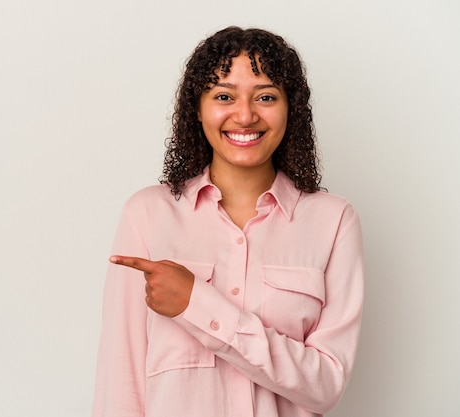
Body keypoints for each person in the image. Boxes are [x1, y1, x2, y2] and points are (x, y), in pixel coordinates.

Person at [91, 26, 363, 417]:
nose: (245, 114)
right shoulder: (147, 215)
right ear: (197, 109)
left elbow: (326, 384)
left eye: (266, 97)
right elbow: (120, 381)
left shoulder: (334, 221)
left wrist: (196, 304)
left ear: (291, 109)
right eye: (224, 96)